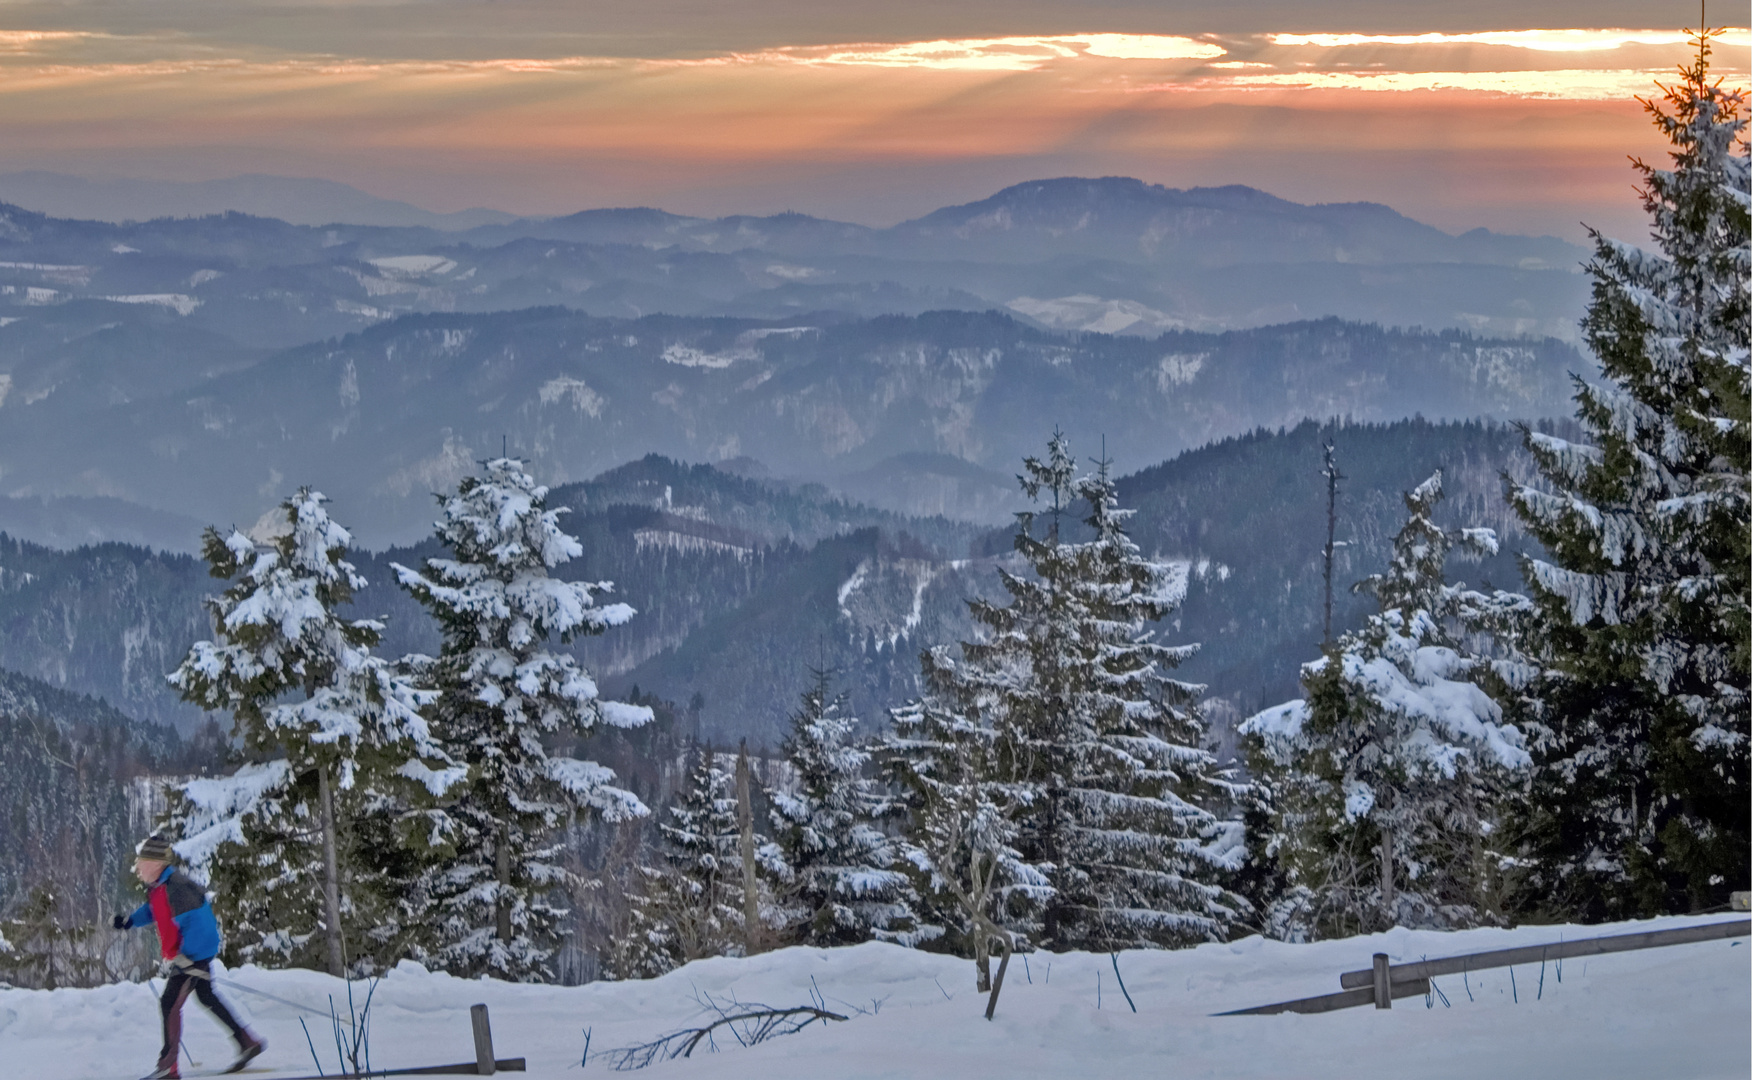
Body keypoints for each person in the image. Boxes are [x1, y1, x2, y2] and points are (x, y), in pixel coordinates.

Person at [115, 834, 266, 1080]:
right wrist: (130, 921)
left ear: (155, 864)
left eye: (141, 863)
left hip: (193, 955)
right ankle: (247, 1042)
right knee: (206, 995)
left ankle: (168, 1067)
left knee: (169, 1003)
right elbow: (155, 911)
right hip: (188, 956)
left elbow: (202, 926)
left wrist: (189, 957)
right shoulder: (159, 887)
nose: (138, 868)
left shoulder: (179, 889)